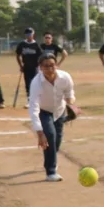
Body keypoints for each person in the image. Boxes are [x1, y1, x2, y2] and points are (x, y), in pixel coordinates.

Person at [28, 54, 76, 182]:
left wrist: (71, 101)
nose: (50, 69)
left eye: (52, 65)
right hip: (44, 111)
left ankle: (50, 160)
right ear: (40, 68)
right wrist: (39, 132)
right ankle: (51, 172)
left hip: (59, 111)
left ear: (57, 65)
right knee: (49, 135)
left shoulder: (65, 77)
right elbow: (33, 108)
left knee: (57, 141)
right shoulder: (36, 83)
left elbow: (69, 91)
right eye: (46, 66)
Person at [15, 27, 43, 102]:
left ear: (33, 34)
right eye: (27, 34)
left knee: (35, 83)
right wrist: (20, 65)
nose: (29, 36)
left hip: (35, 67)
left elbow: (41, 57)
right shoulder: (22, 44)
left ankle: (37, 100)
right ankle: (30, 100)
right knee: (28, 84)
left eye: (30, 34)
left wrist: (40, 66)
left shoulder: (36, 45)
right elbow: (18, 55)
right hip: (26, 67)